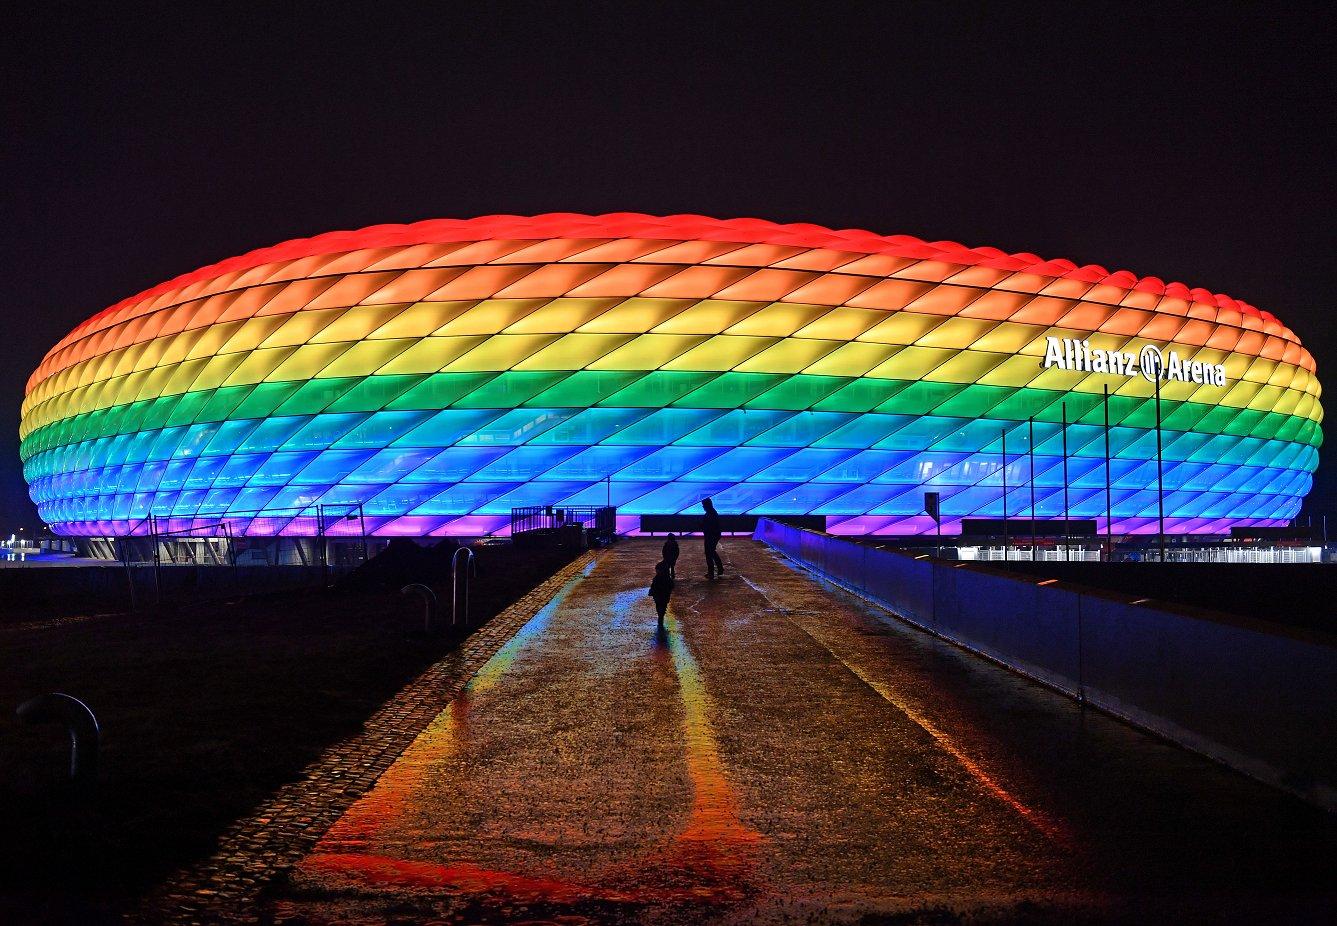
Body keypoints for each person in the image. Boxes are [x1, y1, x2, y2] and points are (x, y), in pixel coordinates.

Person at [702, 497, 724, 579]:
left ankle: (712, 572)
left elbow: (710, 526)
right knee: (711, 552)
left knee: (709, 553)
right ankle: (719, 569)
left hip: (711, 535)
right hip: (712, 535)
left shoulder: (710, 514)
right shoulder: (711, 513)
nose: (703, 507)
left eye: (703, 505)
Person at [648, 559, 674, 628]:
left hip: (658, 595)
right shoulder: (667, 579)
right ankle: (661, 615)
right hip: (664, 595)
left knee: (659, 605)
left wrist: (652, 591)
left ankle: (660, 615)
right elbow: (672, 586)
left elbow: (653, 585)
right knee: (663, 605)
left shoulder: (657, 578)